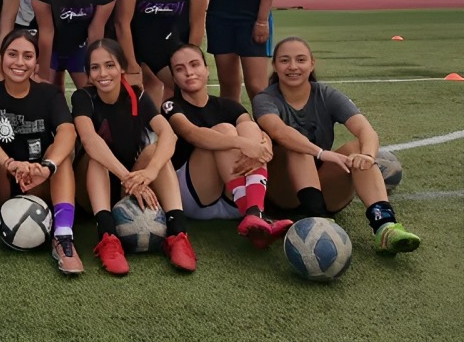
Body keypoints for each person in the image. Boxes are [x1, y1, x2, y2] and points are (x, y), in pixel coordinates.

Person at [253, 37, 421, 254]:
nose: (293, 66)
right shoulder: (265, 98)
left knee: (356, 149)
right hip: (282, 193)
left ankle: (385, 227)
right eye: (285, 60)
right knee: (298, 146)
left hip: (323, 188)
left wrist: (368, 157)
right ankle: (319, 221)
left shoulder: (326, 94)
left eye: (300, 60)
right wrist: (321, 153)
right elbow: (279, 132)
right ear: (275, 66)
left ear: (312, 63)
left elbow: (366, 130)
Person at [0, 30, 82, 275]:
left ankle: (64, 238)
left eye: (27, 56)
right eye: (12, 54)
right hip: (2, 180)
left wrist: (46, 167)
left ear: (36, 63)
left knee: (60, 156)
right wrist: (9, 163)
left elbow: (68, 132)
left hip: (38, 181)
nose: (20, 62)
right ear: (1, 58)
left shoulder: (50, 94)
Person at [73, 39, 196, 275]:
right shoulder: (83, 98)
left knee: (154, 152)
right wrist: (127, 177)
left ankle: (178, 234)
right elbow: (89, 140)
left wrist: (150, 172)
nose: (103, 73)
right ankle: (107, 237)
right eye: (95, 67)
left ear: (121, 68)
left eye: (109, 65)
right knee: (97, 154)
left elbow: (168, 134)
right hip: (90, 191)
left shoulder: (138, 97)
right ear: (88, 74)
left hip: (125, 187)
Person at [161, 44, 292, 249]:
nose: (188, 72)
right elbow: (191, 133)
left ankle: (255, 213)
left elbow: (256, 135)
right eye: (179, 69)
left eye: (194, 64)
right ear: (174, 78)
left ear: (207, 69)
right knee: (225, 130)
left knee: (248, 125)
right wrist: (242, 143)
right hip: (197, 198)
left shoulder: (229, 106)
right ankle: (254, 213)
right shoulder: (171, 106)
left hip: (236, 200)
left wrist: (264, 143)